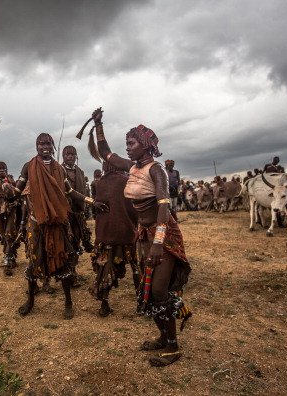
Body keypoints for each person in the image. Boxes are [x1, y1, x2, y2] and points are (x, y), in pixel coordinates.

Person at [91, 107, 191, 366]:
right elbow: (105, 153)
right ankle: (163, 338)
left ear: (145, 145)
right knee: (151, 291)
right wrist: (99, 125)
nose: (127, 147)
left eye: (131, 143)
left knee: (158, 290)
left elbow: (164, 207)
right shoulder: (133, 167)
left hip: (163, 236)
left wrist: (158, 243)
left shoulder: (156, 171)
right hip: (145, 236)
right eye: (126, 143)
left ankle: (172, 347)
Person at [14, 133, 106, 320]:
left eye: (48, 143)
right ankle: (30, 301)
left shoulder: (59, 169)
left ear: (53, 146)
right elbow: (17, 190)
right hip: (36, 223)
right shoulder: (29, 166)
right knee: (35, 260)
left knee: (62, 260)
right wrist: (8, 192)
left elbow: (70, 192)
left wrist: (91, 201)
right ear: (36, 145)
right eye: (41, 143)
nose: (45, 146)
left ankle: (68, 302)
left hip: (57, 223)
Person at [89, 160, 139, 316]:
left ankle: (104, 305)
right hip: (126, 232)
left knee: (105, 268)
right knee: (135, 267)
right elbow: (134, 207)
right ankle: (141, 303)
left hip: (106, 234)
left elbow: (98, 209)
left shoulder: (100, 183)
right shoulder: (127, 180)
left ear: (105, 167)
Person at [61, 146, 94, 281]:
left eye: (73, 154)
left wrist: (85, 206)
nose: (71, 157)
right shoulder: (59, 170)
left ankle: (73, 270)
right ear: (63, 156)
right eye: (68, 155)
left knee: (76, 240)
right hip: (65, 213)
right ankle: (67, 272)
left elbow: (84, 192)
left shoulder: (80, 172)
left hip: (78, 212)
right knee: (66, 242)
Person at [0, 161, 21, 276]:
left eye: (3, 169)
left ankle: (8, 258)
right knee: (3, 234)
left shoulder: (11, 182)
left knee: (10, 233)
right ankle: (11, 255)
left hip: (11, 211)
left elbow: (17, 194)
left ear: (7, 170)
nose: (1, 171)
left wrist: (15, 202)